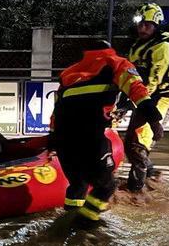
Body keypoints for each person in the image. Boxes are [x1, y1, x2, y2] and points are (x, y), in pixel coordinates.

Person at [49, 40, 163, 228]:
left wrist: (52, 138)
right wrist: (154, 121)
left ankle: (66, 221)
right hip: (90, 132)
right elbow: (138, 91)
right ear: (109, 50)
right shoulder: (116, 63)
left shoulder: (68, 72)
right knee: (107, 185)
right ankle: (85, 224)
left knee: (78, 184)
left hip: (63, 134)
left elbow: (56, 109)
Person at [123, 3, 169, 192]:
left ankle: (136, 192)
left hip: (162, 99)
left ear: (156, 25)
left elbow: (153, 81)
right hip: (145, 99)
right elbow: (129, 76)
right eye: (140, 24)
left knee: (138, 145)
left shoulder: (162, 46)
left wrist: (131, 102)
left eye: (147, 25)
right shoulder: (137, 46)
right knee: (129, 143)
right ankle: (151, 175)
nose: (142, 28)